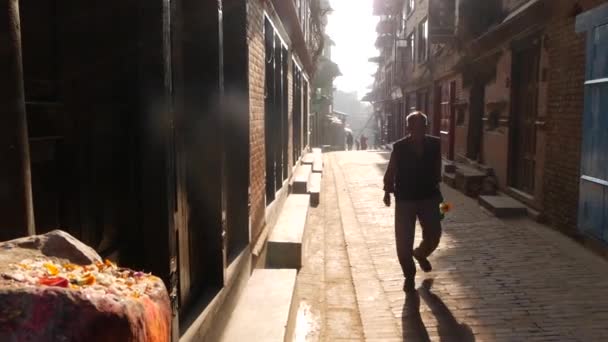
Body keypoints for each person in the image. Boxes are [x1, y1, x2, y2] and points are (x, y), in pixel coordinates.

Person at [383, 111, 442, 294]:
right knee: (403, 241)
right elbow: (392, 169)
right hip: (405, 198)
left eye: (422, 127)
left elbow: (437, 168)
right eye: (415, 127)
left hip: (429, 196)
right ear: (409, 128)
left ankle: (421, 253)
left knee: (434, 233)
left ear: (426, 127)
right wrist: (387, 190)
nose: (419, 131)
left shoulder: (434, 144)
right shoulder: (399, 147)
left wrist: (438, 193)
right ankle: (409, 275)